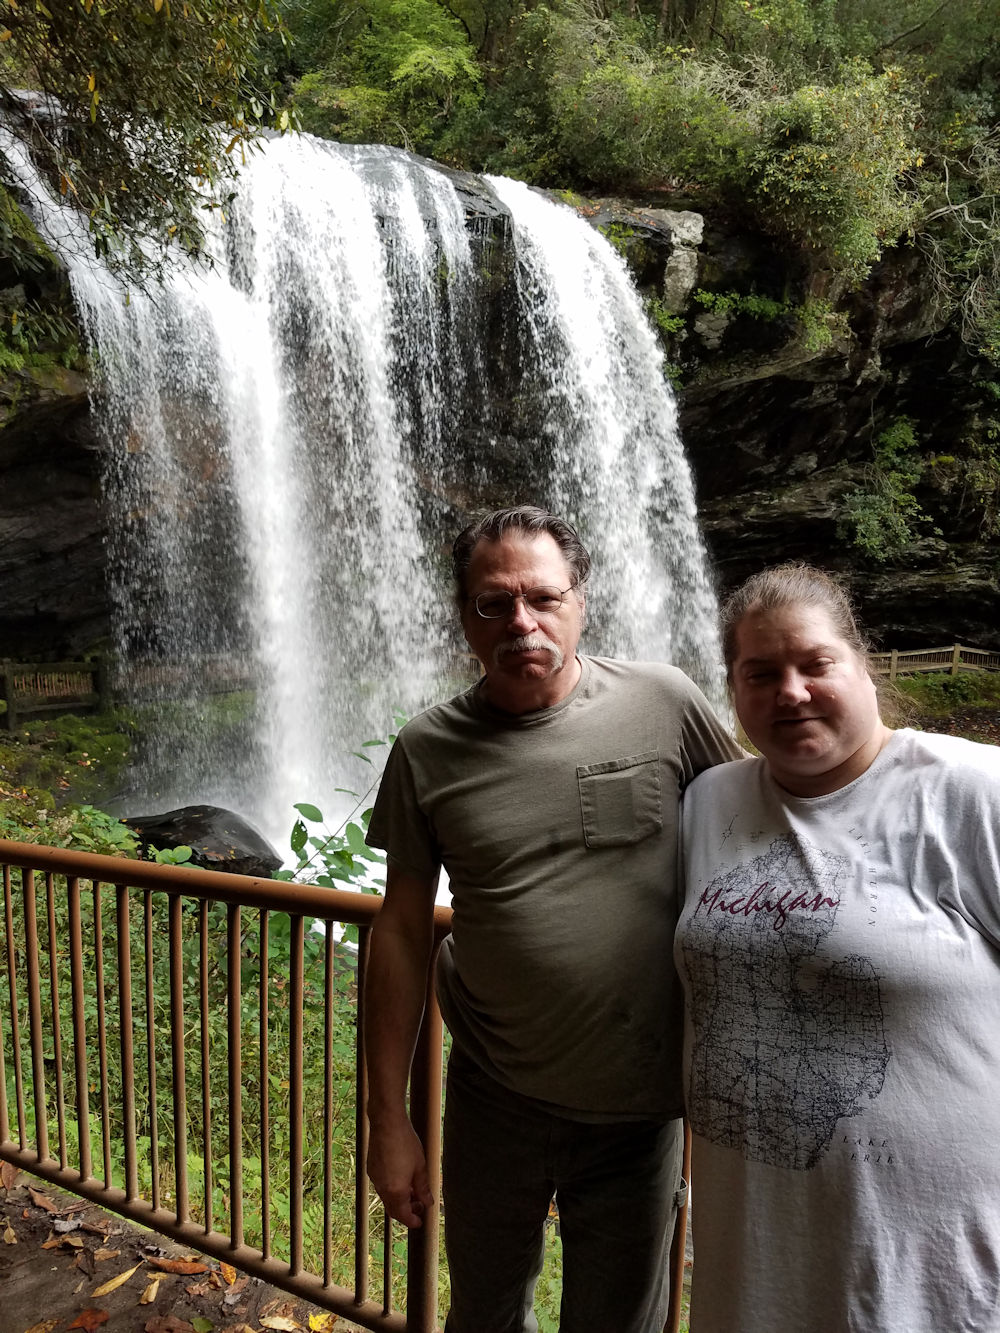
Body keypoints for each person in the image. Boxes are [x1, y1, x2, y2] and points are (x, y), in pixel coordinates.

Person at [364, 505, 740, 1333]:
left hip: (641, 1108)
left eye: (542, 596)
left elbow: (761, 827)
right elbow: (397, 930)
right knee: (486, 1314)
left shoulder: (665, 703)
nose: (521, 622)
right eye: (493, 603)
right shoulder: (428, 749)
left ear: (580, 600)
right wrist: (387, 1118)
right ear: (463, 616)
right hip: (495, 1096)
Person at [675, 562, 1000, 1332]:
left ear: (862, 662)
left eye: (815, 663)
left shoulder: (968, 790)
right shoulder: (708, 802)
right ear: (732, 688)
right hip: (758, 1253)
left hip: (941, 1263)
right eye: (761, 673)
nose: (790, 691)